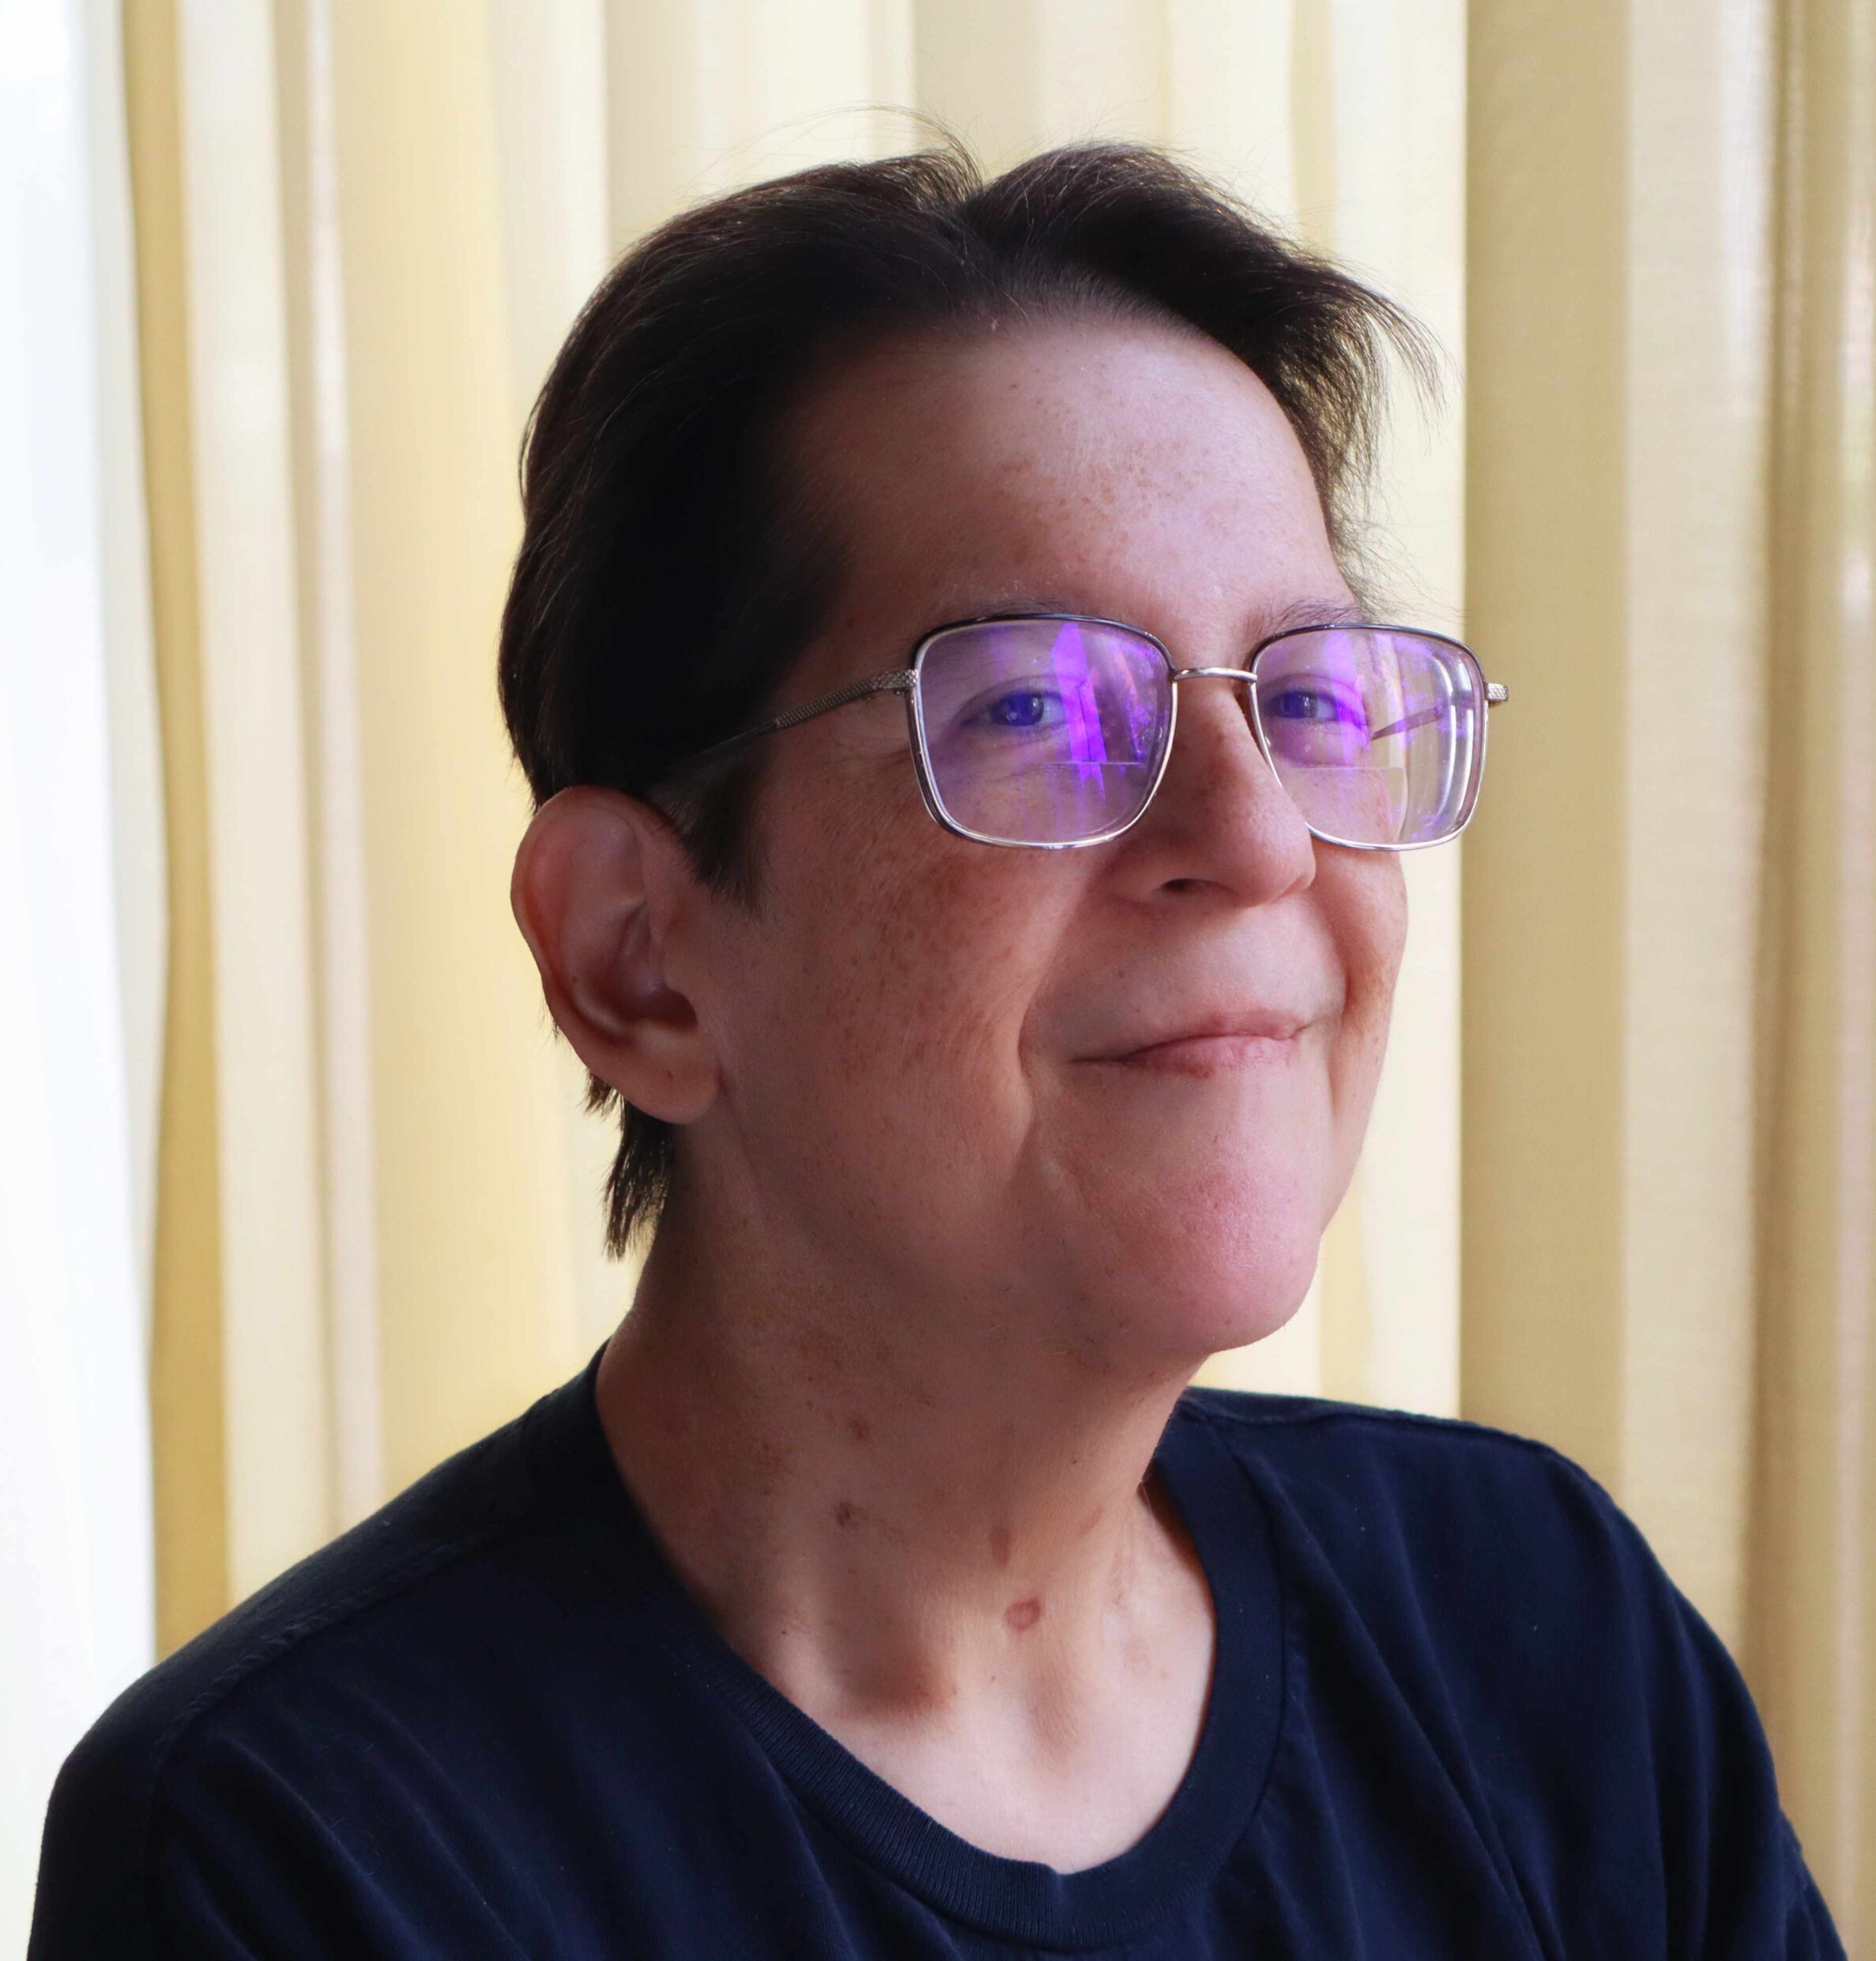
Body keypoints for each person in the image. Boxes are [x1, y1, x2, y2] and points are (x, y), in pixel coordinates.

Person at [30, 141, 1844, 1959]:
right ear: (638, 959)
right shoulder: (308, 1849)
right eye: (1037, 707)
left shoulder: (1532, 1636)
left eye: (1306, 698)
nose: (1260, 838)